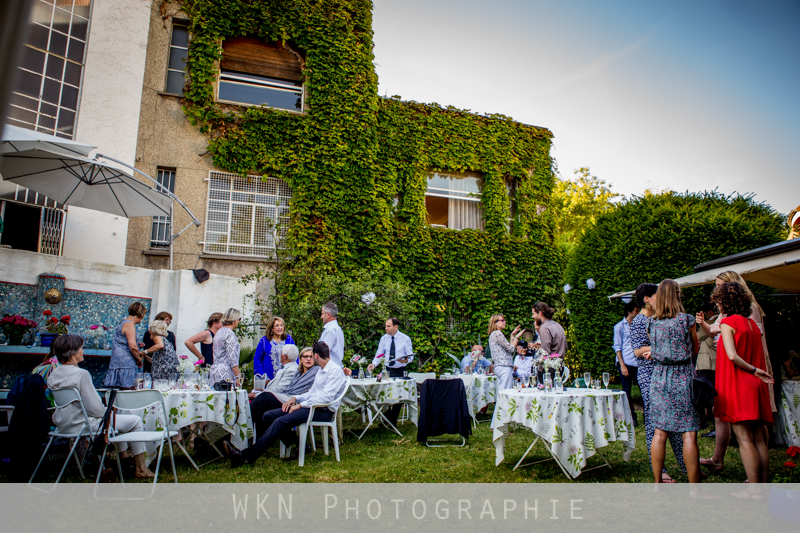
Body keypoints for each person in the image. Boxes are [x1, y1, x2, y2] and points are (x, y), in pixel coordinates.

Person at [697, 270, 776, 476]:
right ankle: (763, 483)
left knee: (744, 439)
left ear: (724, 302)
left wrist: (753, 369)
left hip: (739, 383)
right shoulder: (751, 324)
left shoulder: (727, 322)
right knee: (758, 438)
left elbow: (732, 356)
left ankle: (753, 488)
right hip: (755, 383)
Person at [48, 335, 154, 478]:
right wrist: (108, 410)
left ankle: (123, 462)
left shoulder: (54, 374)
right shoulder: (81, 374)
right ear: (73, 352)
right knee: (134, 421)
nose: (83, 351)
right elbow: (96, 409)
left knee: (118, 422)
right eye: (81, 348)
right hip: (83, 425)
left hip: (63, 424)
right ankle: (141, 468)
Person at [225, 341, 346, 465]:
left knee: (279, 422)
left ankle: (245, 456)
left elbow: (326, 398)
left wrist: (300, 405)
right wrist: (295, 398)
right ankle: (301, 445)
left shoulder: (334, 371)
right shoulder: (321, 370)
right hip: (311, 406)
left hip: (323, 411)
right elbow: (312, 393)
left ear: (315, 356)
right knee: (267, 416)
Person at [644, 279, 701, 484]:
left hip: (659, 379)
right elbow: (695, 349)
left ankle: (658, 483)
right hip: (684, 378)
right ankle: (694, 488)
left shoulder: (652, 323)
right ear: (677, 295)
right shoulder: (687, 320)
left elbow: (657, 349)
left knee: (660, 433)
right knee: (689, 434)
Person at [630, 283, 686, 482]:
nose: (660, 298)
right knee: (655, 425)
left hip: (665, 374)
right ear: (647, 299)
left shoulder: (659, 319)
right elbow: (637, 351)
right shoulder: (639, 321)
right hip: (649, 376)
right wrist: (659, 348)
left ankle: (687, 466)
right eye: (656, 295)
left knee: (675, 424)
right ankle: (660, 471)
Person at [249, 346, 320, 436]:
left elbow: (329, 371)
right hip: (287, 396)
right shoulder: (298, 372)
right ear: (301, 359)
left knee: (264, 397)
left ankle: (245, 422)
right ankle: (256, 441)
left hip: (298, 400)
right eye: (305, 356)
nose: (309, 359)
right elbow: (289, 388)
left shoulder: (316, 371)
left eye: (311, 356)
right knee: (262, 410)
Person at [366, 317, 413, 426]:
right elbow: (379, 353)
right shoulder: (384, 339)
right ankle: (389, 418)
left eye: (388, 326)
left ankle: (393, 421)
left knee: (398, 396)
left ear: (396, 327)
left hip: (400, 370)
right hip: (387, 370)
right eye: (386, 326)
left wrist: (405, 360)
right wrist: (373, 364)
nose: (385, 328)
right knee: (383, 394)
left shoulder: (405, 339)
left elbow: (410, 357)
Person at [104, 302, 147, 389]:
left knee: (119, 389)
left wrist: (138, 343)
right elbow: (132, 346)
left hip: (118, 361)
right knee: (127, 389)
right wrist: (138, 358)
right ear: (140, 314)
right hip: (126, 363)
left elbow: (124, 340)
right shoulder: (129, 325)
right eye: (143, 315)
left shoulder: (122, 323)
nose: (143, 318)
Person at [613, 300, 640, 426]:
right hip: (626, 361)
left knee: (643, 388)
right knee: (627, 391)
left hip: (637, 362)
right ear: (629, 312)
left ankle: (648, 415)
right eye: (636, 311)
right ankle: (631, 416)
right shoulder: (619, 327)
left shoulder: (638, 325)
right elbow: (617, 347)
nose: (638, 312)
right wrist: (622, 365)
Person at [695, 302, 718, 433]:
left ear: (708, 312)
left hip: (707, 363)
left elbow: (696, 337)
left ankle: (715, 426)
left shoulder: (710, 322)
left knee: (710, 396)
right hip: (713, 362)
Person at [487, 314, 522, 392]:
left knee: (503, 391)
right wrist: (517, 337)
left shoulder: (493, 334)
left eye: (504, 320)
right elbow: (511, 348)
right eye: (502, 320)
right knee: (505, 393)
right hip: (504, 367)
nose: (504, 322)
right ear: (495, 323)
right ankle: (501, 405)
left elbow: (508, 347)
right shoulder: (497, 333)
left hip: (500, 367)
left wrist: (512, 335)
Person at [209, 308, 242, 384]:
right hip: (226, 372)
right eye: (239, 319)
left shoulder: (219, 332)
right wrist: (237, 376)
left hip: (215, 369)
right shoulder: (230, 334)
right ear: (234, 319)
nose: (239, 321)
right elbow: (232, 358)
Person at [318, 302, 345, 368]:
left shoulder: (330, 330)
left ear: (328, 315)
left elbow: (323, 351)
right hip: (336, 366)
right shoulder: (337, 328)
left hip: (330, 368)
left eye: (322, 314)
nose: (321, 317)